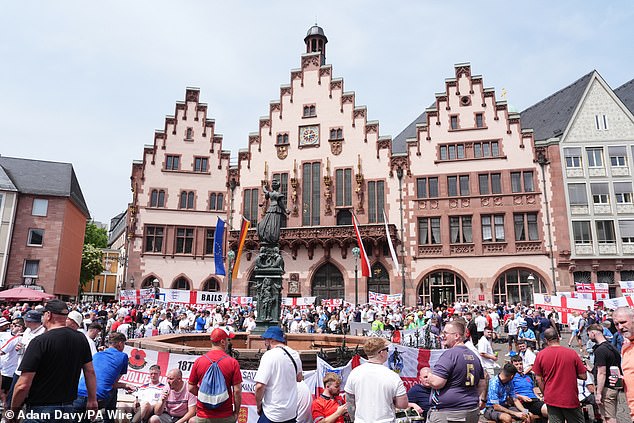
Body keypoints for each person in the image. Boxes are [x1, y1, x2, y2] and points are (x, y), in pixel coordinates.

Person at [11, 299, 98, 419]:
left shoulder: (39, 342)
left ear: (48, 315)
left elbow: (23, 385)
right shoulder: (81, 339)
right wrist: (92, 399)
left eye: (43, 314)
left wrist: (14, 411)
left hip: (41, 408)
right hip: (68, 407)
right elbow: (90, 371)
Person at [420, 320, 486, 423]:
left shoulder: (450, 354)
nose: (442, 335)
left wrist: (429, 376)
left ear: (456, 336)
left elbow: (437, 382)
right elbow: (482, 382)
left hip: (450, 414)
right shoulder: (474, 355)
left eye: (446, 333)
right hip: (471, 410)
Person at [74, 332, 135, 422]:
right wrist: (125, 385)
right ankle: (109, 420)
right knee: (113, 391)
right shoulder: (123, 356)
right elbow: (113, 384)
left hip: (78, 395)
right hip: (96, 398)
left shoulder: (97, 354)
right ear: (120, 343)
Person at [344, 337, 408, 423]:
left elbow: (349, 403)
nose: (387, 352)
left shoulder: (354, 373)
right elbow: (402, 404)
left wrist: (354, 419)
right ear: (381, 353)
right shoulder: (393, 376)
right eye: (387, 349)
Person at [532, 327, 587, 423]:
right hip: (569, 397)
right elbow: (583, 376)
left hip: (551, 397)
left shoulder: (541, 355)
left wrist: (545, 393)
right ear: (558, 337)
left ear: (545, 340)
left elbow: (538, 379)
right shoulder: (572, 353)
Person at [189, 327, 242, 423]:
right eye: (227, 340)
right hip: (225, 415)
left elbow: (190, 387)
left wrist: (206, 396)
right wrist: (236, 413)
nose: (228, 343)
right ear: (222, 342)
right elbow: (237, 391)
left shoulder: (199, 361)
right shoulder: (232, 362)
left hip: (203, 415)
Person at [255, 326, 303, 423]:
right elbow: (299, 378)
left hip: (272, 412)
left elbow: (259, 386)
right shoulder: (295, 354)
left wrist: (258, 404)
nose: (265, 343)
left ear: (271, 340)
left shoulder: (269, 355)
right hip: (290, 412)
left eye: (265, 340)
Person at [587, 324, 620, 423]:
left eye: (588, 334)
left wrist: (599, 393)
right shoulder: (611, 347)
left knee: (608, 418)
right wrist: (591, 370)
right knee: (608, 416)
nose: (589, 337)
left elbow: (602, 373)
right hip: (613, 385)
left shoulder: (600, 350)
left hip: (606, 387)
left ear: (593, 333)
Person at [509, 355, 548, 420]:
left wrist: (540, 397)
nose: (519, 366)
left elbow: (533, 390)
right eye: (516, 364)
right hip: (525, 402)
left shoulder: (527, 377)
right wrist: (521, 397)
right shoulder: (511, 378)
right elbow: (509, 394)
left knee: (555, 409)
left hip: (535, 400)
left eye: (521, 364)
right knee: (550, 411)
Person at [613, 306, 634, 420]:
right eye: (616, 324)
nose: (620, 327)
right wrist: (621, 380)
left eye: (623, 322)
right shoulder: (625, 347)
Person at [257, 179, 290, 245]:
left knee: (268, 222)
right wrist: (285, 210)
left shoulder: (270, 193)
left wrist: (264, 186)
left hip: (270, 209)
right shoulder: (277, 194)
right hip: (276, 209)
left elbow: (265, 192)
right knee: (274, 224)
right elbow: (280, 203)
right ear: (278, 187)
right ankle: (272, 237)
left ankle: (266, 235)